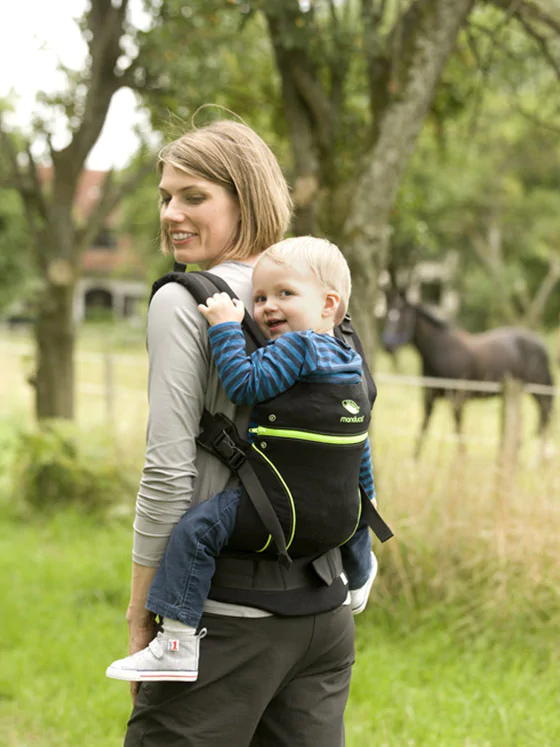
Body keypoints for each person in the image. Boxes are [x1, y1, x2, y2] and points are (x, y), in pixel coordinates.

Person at [119, 118, 377, 747]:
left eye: (194, 196)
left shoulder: (189, 301)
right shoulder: (316, 293)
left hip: (226, 622)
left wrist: (140, 611)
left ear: (247, 197)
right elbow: (350, 441)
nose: (172, 213)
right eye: (165, 197)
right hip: (325, 616)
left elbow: (168, 468)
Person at [106, 236, 379, 684]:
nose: (267, 306)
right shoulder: (349, 359)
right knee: (353, 511)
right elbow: (358, 445)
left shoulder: (299, 348)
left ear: (329, 304)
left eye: (284, 294)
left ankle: (175, 642)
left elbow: (243, 385)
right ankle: (361, 573)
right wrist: (365, 499)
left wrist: (227, 326)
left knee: (196, 530)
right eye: (259, 298)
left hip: (275, 502)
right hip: (335, 515)